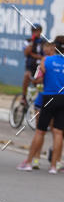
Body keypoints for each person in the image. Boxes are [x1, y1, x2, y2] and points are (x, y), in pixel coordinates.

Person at [16, 42, 63, 173]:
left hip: (48, 97)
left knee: (40, 131)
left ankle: (29, 162)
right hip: (62, 98)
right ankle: (54, 166)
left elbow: (38, 78)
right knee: (58, 132)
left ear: (54, 48)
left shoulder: (46, 60)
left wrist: (31, 79)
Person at [22, 23, 46, 104]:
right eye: (33, 31)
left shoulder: (44, 42)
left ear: (40, 31)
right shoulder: (28, 41)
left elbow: (45, 56)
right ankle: (23, 97)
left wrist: (33, 55)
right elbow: (26, 53)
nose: (35, 33)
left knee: (41, 82)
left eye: (37, 31)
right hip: (30, 66)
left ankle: (40, 100)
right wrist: (32, 41)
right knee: (26, 75)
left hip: (40, 67)